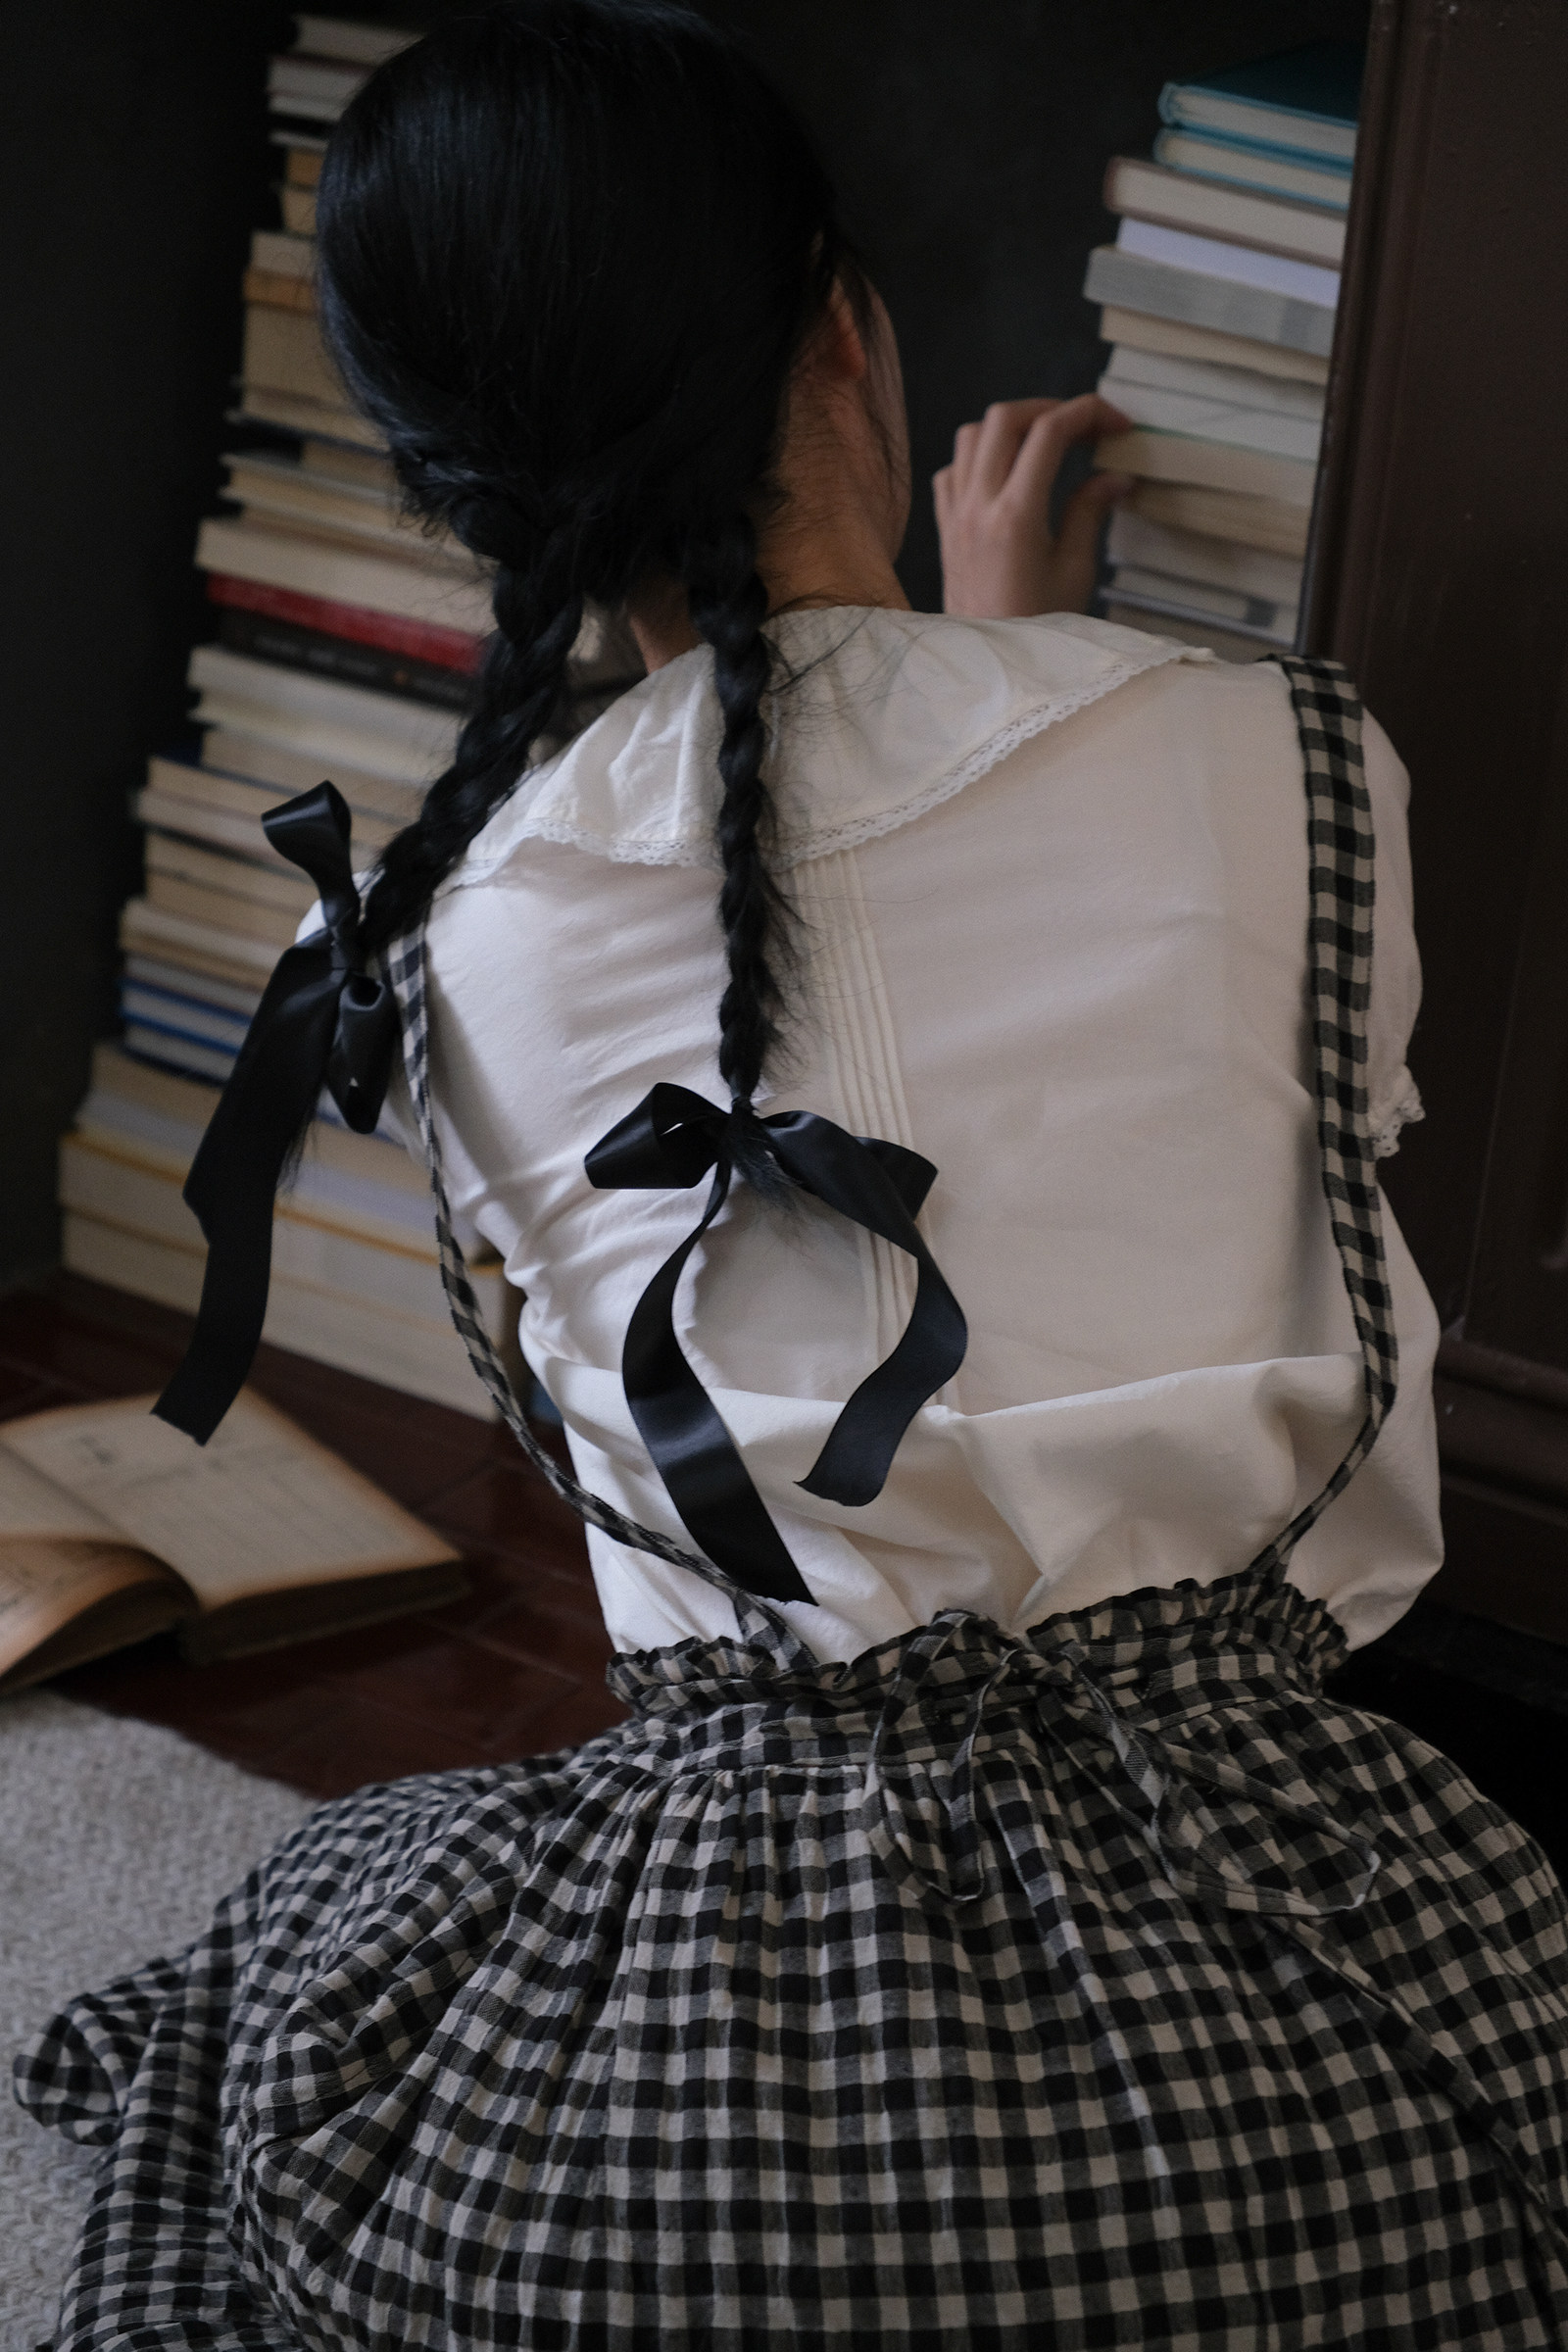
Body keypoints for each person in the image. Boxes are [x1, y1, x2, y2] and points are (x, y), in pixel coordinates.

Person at [19, 6, 1568, 2347]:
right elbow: (1072, 1096)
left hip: (681, 2146)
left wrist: (968, 663)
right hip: (1288, 2040)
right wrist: (1020, 659)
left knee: (289, 1966)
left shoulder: (451, 945)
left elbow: (804, 1033)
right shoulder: (1293, 759)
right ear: (840, 327)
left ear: (465, 505)